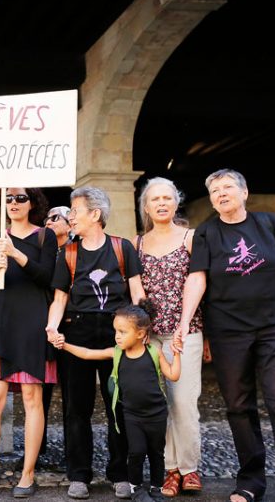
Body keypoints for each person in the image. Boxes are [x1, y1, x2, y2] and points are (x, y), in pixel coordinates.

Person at [177, 169, 275, 502]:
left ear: (245, 193)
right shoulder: (206, 234)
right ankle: (251, 482)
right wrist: (185, 321)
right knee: (239, 407)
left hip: (274, 327)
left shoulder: (271, 224)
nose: (221, 193)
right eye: (214, 190)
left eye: (228, 187)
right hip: (228, 332)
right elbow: (197, 279)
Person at [47, 186, 146, 500]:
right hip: (76, 330)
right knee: (77, 407)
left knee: (118, 404)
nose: (70, 217)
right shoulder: (69, 252)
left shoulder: (122, 247)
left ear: (95, 214)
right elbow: (60, 298)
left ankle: (121, 474)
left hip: (118, 331)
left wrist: (141, 329)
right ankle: (79, 474)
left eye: (75, 211)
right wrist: (51, 326)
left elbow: (137, 292)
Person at [53, 302, 182, 502]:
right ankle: (136, 488)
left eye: (122, 331)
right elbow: (88, 354)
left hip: (157, 414)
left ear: (140, 334)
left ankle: (156, 488)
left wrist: (176, 354)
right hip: (132, 415)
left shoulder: (154, 352)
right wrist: (65, 345)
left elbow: (173, 375)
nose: (117, 336)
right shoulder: (117, 353)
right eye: (116, 331)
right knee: (136, 451)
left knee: (157, 453)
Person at [0, 188, 58, 498]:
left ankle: (27, 473)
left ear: (33, 203)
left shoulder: (44, 238)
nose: (13, 203)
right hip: (2, 323)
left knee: (31, 399)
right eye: (8, 199)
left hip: (33, 322)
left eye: (20, 198)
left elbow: (47, 277)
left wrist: (16, 254)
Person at [135, 177, 204, 497]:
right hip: (149, 337)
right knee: (158, 403)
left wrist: (184, 326)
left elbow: (200, 281)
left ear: (176, 202)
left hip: (184, 332)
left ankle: (189, 468)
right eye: (154, 199)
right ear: (146, 207)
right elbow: (137, 292)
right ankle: (169, 469)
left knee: (184, 403)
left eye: (167, 197)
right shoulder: (137, 243)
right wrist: (139, 332)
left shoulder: (191, 237)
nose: (161, 203)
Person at [41, 205, 72, 467]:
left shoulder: (78, 249)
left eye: (54, 218)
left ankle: (72, 452)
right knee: (42, 392)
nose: (48, 222)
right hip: (47, 328)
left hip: (73, 327)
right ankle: (37, 450)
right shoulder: (44, 252)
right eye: (46, 219)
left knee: (73, 394)